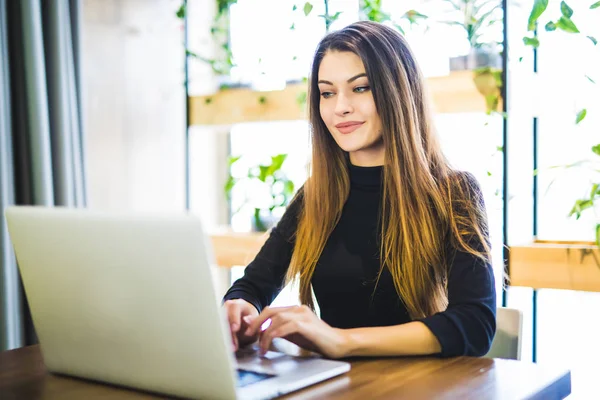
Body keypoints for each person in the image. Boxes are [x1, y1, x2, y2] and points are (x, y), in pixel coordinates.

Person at [222, 21, 496, 359]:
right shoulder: (317, 196)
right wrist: (239, 306)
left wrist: (341, 341)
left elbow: (474, 324)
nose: (340, 107)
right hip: (337, 384)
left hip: (419, 386)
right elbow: (253, 284)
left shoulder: (454, 193)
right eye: (327, 92)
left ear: (399, 93)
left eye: (361, 88)